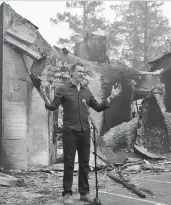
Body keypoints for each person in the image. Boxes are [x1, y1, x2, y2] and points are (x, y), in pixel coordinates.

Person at [40, 62, 122, 204]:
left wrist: (111, 97)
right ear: (72, 73)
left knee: (85, 163)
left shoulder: (86, 91)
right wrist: (44, 96)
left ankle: (84, 193)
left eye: (83, 71)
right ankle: (67, 194)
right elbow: (52, 107)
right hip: (70, 131)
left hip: (85, 130)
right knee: (69, 163)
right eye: (79, 71)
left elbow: (97, 107)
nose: (82, 73)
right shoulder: (63, 89)